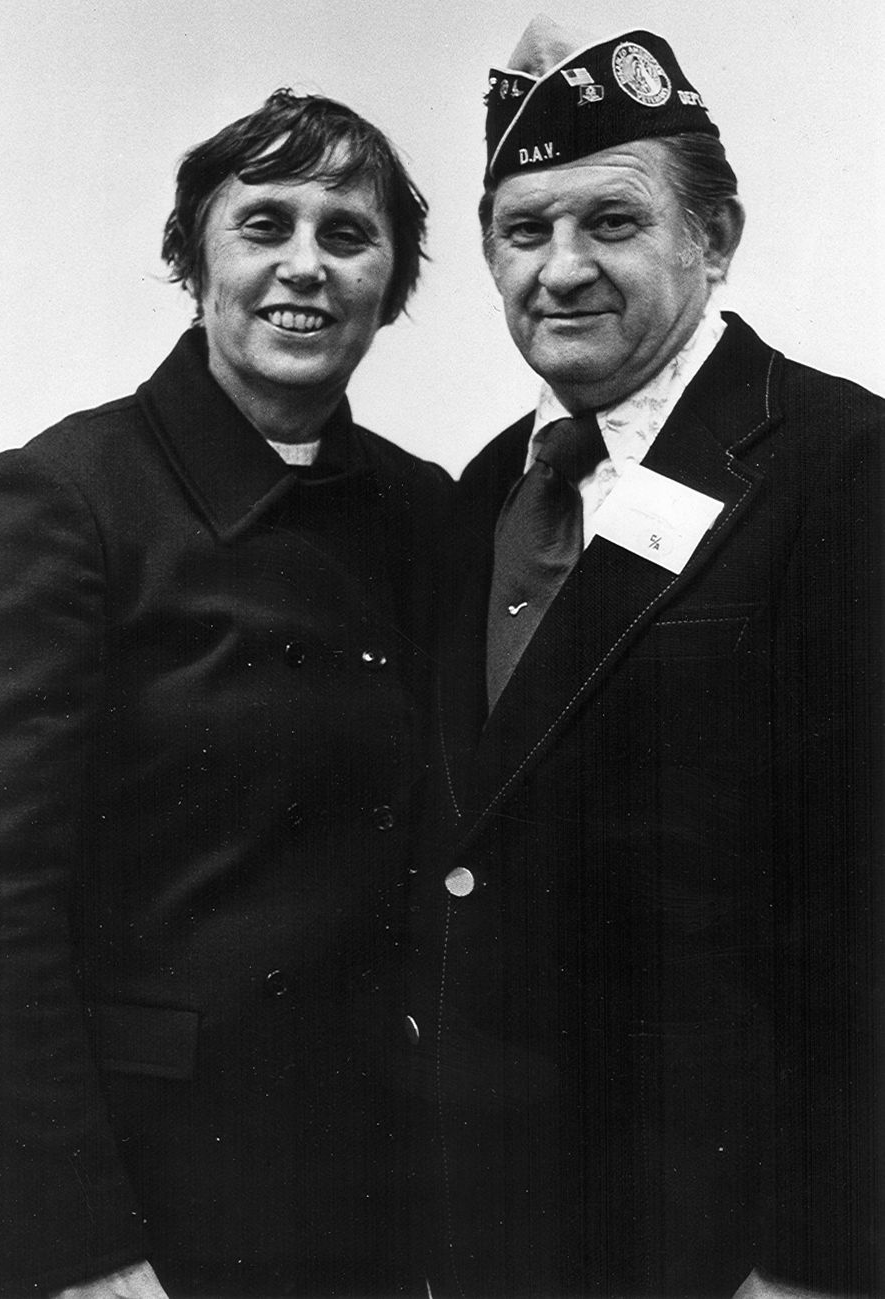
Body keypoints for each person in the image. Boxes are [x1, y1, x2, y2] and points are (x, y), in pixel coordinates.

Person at [403, 17, 882, 1299]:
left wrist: (823, 1261)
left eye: (610, 223)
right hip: (493, 1226)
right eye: (522, 230)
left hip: (718, 1246)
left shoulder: (845, 469)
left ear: (714, 239)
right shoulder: (482, 496)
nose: (559, 270)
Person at [0, 89, 450, 1299]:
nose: (307, 265)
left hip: (375, 1200)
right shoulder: (65, 499)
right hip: (148, 1210)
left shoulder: (428, 511)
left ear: (392, 282)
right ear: (194, 259)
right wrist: (77, 1248)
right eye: (265, 225)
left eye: (348, 234)